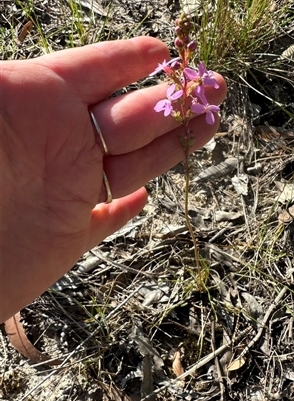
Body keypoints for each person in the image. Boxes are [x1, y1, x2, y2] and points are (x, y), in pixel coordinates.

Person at [0, 36, 227, 323]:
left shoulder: (193, 88)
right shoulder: (174, 87)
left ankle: (200, 273)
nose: (199, 79)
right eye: (197, 77)